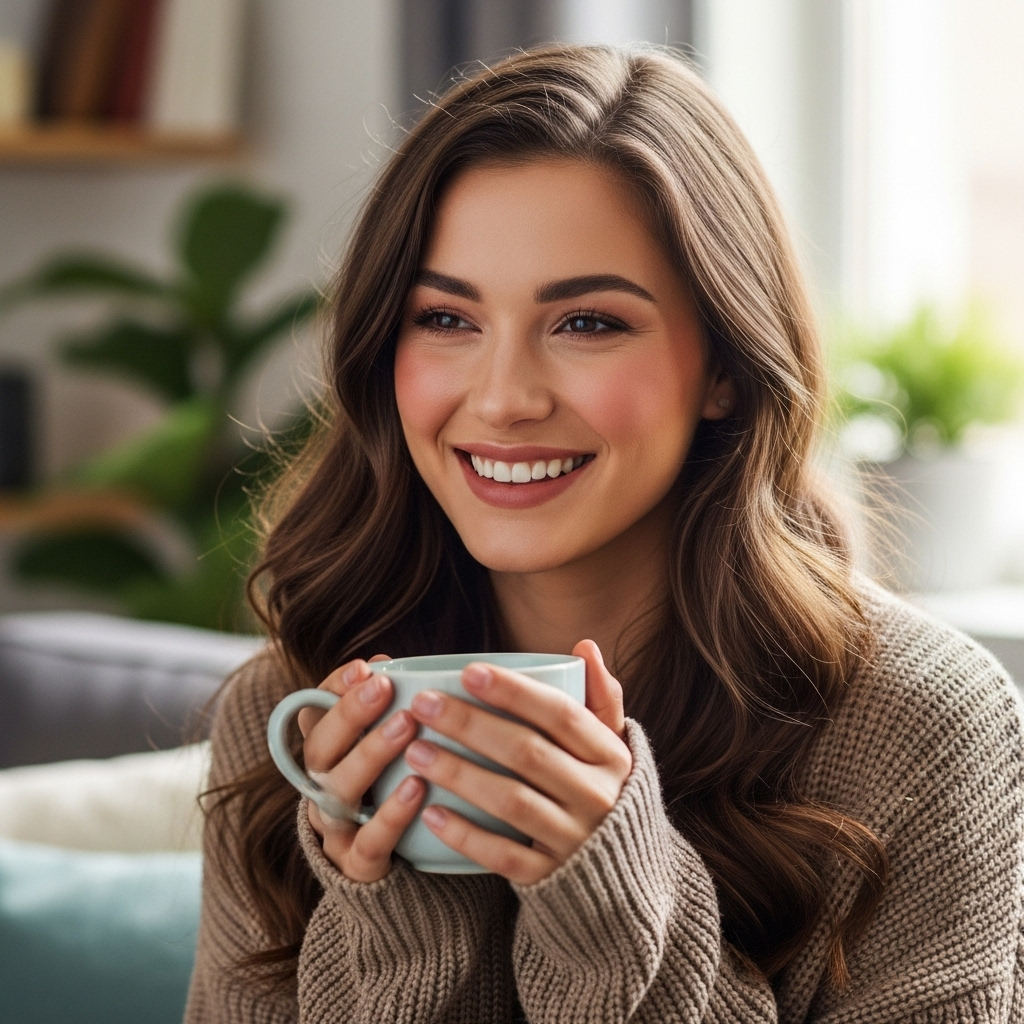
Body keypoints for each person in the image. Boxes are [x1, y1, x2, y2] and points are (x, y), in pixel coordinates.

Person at [184, 44, 1023, 1023]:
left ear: (723, 366)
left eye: (586, 323)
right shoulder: (285, 711)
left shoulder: (918, 725)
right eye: (447, 318)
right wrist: (403, 927)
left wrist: (620, 915)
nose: (501, 399)